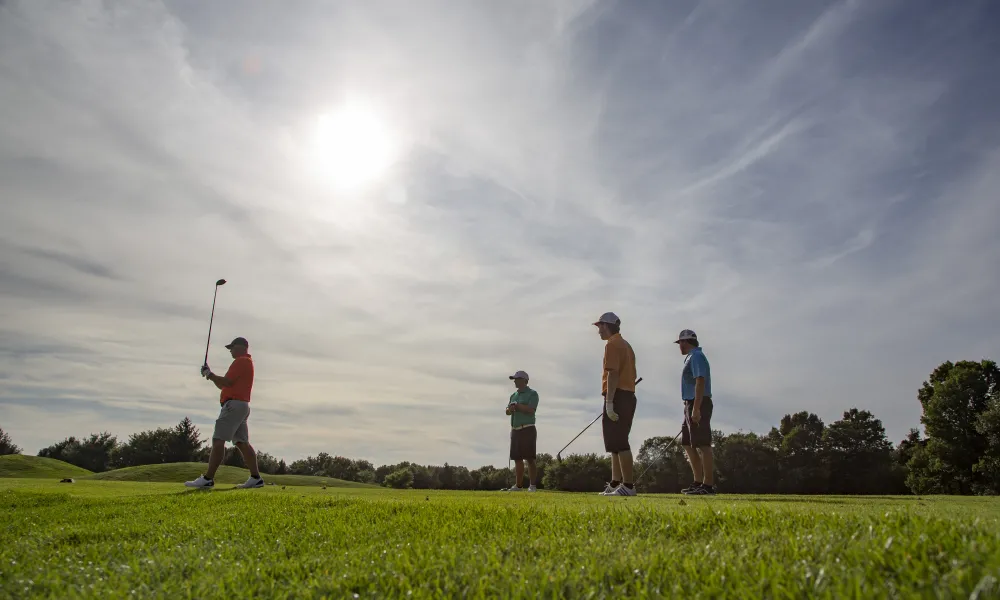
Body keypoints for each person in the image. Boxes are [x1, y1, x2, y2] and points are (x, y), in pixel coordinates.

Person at [185, 337, 264, 489]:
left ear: (241, 347)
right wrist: (210, 375)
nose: (230, 351)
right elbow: (223, 386)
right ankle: (256, 478)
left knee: (218, 440)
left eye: (232, 347)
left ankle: (208, 478)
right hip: (241, 406)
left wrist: (211, 374)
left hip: (233, 406)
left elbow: (226, 382)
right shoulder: (245, 362)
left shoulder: (241, 361)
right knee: (242, 443)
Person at [593, 312, 638, 496]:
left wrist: (610, 402)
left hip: (618, 395)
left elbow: (613, 374)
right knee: (613, 443)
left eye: (600, 327)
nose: (598, 331)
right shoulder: (626, 345)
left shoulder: (612, 345)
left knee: (620, 442)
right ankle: (615, 482)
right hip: (626, 395)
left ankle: (628, 486)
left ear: (606, 325)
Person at [675, 329, 715, 495]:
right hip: (690, 403)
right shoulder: (690, 357)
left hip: (699, 402)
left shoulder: (696, 356)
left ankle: (708, 485)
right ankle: (698, 481)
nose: (679, 346)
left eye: (681, 343)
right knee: (687, 443)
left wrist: (696, 408)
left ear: (686, 342)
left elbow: (700, 381)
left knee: (703, 444)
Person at [504, 370, 539, 492]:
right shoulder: (513, 395)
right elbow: (507, 411)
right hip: (515, 429)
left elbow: (531, 409)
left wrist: (517, 406)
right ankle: (518, 486)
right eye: (514, 379)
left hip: (528, 428)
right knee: (517, 458)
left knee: (530, 458)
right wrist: (510, 409)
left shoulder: (532, 394)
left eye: (517, 379)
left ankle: (532, 486)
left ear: (525, 381)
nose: (515, 381)